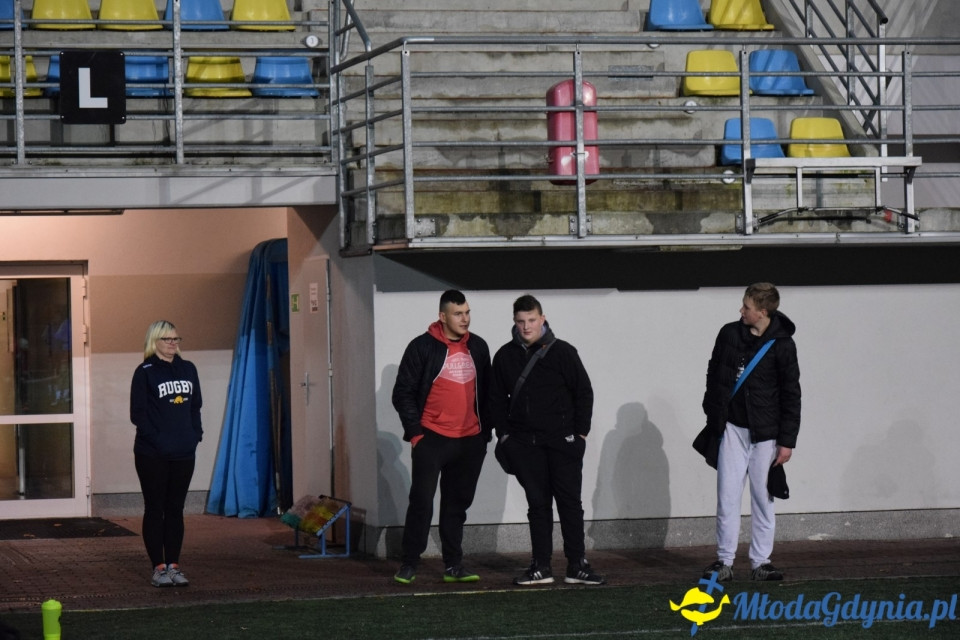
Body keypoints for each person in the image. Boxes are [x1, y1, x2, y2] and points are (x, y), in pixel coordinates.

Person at [490, 294, 604, 586]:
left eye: (531, 320)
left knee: (569, 504)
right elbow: (495, 400)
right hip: (525, 445)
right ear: (514, 322)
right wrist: (504, 437)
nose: (526, 327)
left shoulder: (563, 352)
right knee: (537, 505)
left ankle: (577, 564)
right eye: (521, 321)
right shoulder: (504, 356)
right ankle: (541, 565)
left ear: (542, 319)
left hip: (563, 442)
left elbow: (584, 392)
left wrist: (580, 434)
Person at [701, 283, 801, 582]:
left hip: (767, 434)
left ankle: (761, 562)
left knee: (763, 498)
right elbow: (713, 373)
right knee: (727, 497)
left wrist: (787, 442)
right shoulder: (729, 334)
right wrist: (713, 411)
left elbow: (791, 394)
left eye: (746, 307)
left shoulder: (783, 344)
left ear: (763, 311)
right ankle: (724, 561)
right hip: (731, 428)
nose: (741, 311)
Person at [391, 290, 491, 584]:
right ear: (442, 316)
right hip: (432, 439)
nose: (465, 319)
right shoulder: (422, 347)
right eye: (458, 314)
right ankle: (409, 563)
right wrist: (416, 434)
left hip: (470, 440)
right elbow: (403, 393)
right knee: (421, 501)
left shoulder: (479, 347)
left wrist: (485, 434)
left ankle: (453, 565)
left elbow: (489, 393)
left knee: (456, 504)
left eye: (468, 312)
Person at [130, 320, 203, 588]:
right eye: (167, 339)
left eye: (176, 339)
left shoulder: (189, 369)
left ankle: (174, 565)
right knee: (155, 508)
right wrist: (159, 441)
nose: (173, 343)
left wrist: (195, 435)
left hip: (184, 452)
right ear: (155, 341)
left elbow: (195, 406)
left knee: (175, 509)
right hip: (153, 454)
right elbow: (138, 414)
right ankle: (158, 568)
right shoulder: (145, 372)